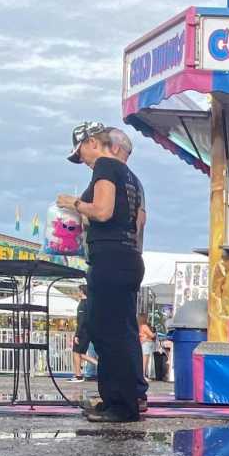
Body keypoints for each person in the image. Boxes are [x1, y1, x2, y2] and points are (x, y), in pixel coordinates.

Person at [58, 122, 147, 422]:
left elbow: (104, 211)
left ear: (93, 143)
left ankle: (121, 406)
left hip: (111, 259)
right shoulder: (129, 176)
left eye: (80, 151)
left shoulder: (106, 166)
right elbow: (134, 222)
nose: (81, 159)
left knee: (110, 333)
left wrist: (75, 203)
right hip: (125, 256)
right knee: (113, 330)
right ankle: (116, 400)